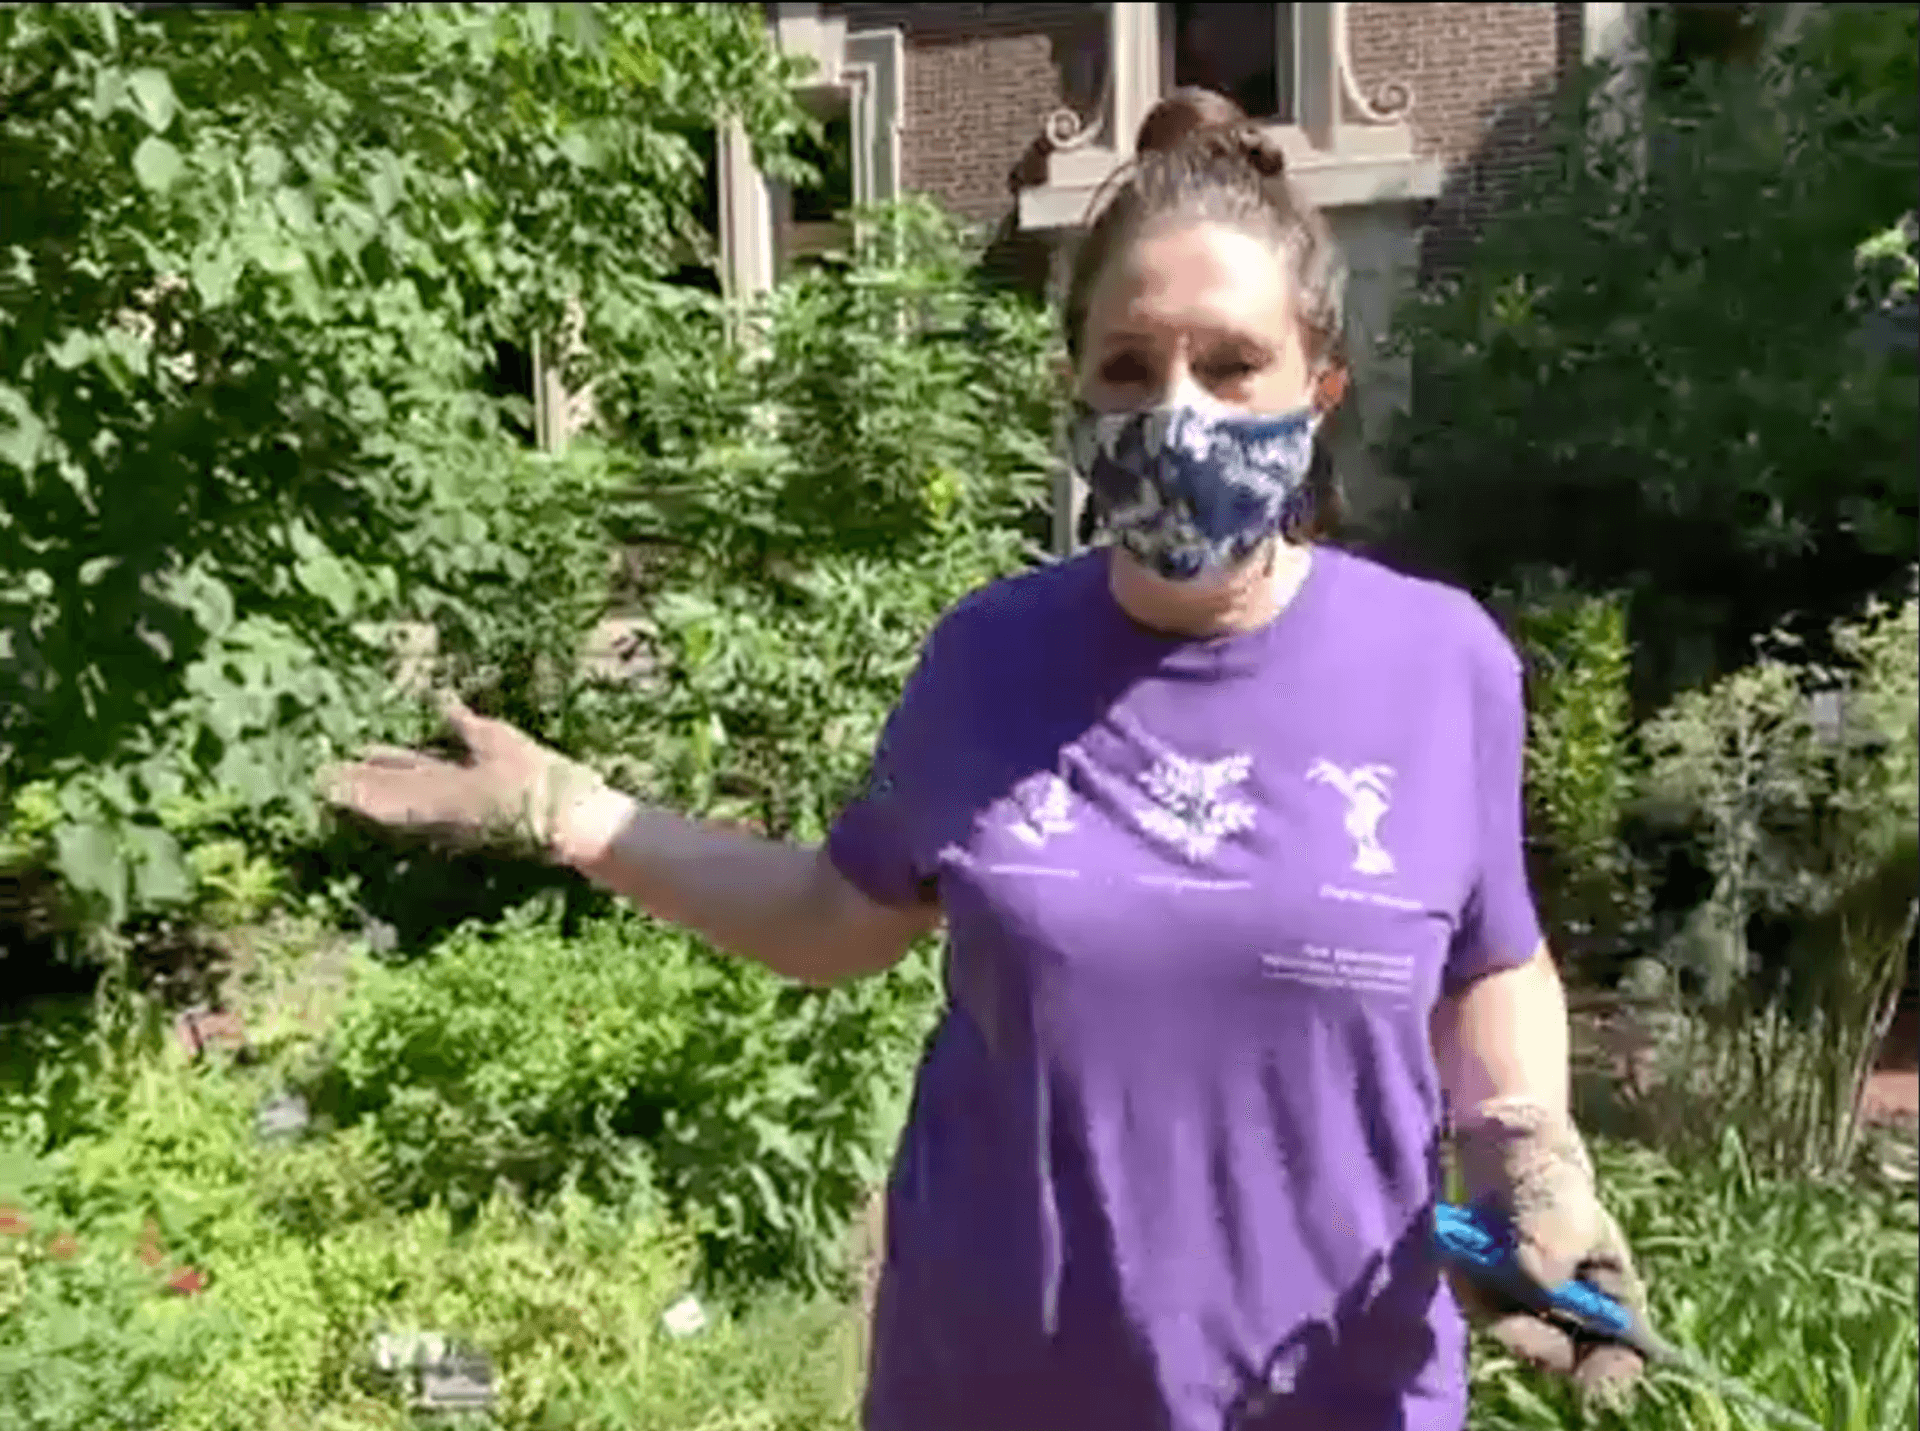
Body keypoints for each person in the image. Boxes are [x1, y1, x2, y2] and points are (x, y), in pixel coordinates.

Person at [323, 87, 1647, 1431]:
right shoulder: (989, 658)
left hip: (1333, 1393)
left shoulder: (1438, 664)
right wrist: (567, 807)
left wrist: (1528, 1148)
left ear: (1320, 391)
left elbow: (1492, 956)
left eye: (1231, 365)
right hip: (996, 1385)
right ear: (1071, 390)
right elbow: (835, 918)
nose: (1176, 415)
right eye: (1129, 367)